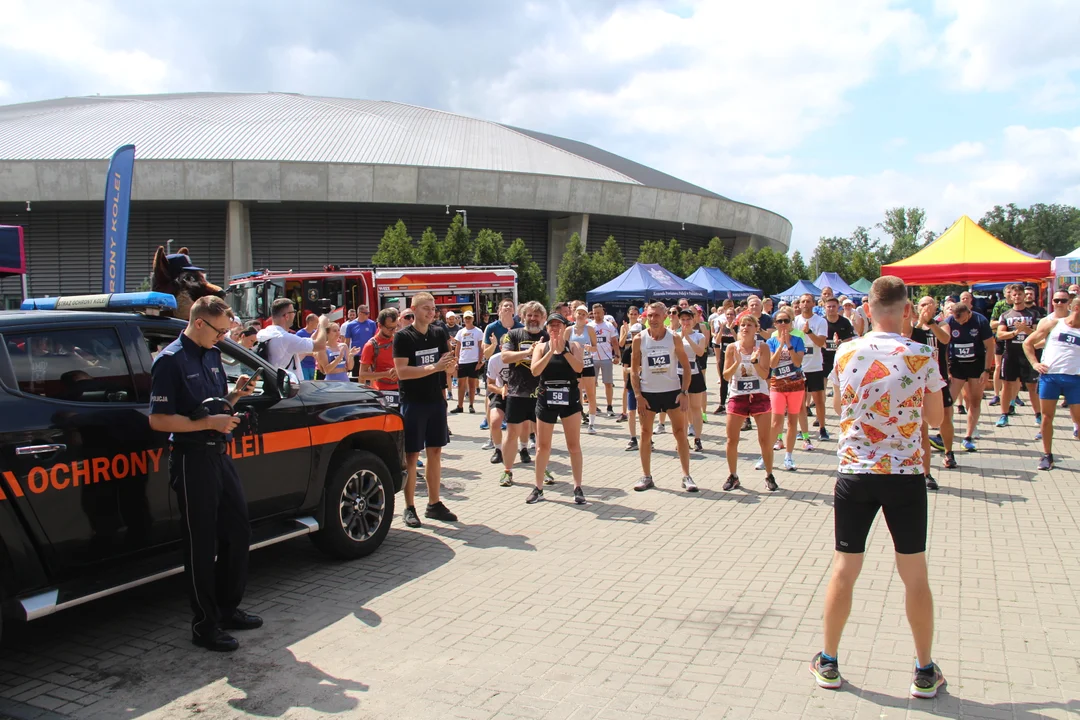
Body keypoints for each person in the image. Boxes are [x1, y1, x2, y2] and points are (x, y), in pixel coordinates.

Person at [810, 275, 946, 699]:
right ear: (907, 310)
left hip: (855, 472)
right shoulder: (922, 354)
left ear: (867, 310)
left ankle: (829, 661)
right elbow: (937, 420)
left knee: (845, 569)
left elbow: (836, 406)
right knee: (914, 575)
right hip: (904, 475)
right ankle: (924, 670)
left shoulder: (846, 350)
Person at [148, 296, 260, 652]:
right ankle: (205, 625)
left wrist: (236, 396)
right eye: (220, 331)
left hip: (219, 453)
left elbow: (214, 407)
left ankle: (228, 610)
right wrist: (209, 423)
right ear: (199, 323)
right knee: (201, 544)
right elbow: (159, 420)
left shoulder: (212, 354)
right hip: (191, 457)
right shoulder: (169, 362)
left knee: (237, 533)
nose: (224, 338)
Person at [392, 292, 458, 528]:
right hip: (413, 402)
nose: (431, 312)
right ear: (413, 309)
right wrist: (435, 367)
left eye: (433, 308)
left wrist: (450, 368)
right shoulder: (403, 337)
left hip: (435, 401)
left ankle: (434, 504)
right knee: (411, 456)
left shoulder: (439, 332)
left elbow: (446, 367)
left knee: (435, 453)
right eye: (425, 308)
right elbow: (402, 372)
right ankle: (409, 507)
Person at [630, 302, 696, 492]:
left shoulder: (674, 338)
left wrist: (684, 393)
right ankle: (646, 476)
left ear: (665, 316)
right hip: (648, 393)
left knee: (680, 433)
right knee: (645, 434)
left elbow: (687, 367)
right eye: (650, 316)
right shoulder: (639, 339)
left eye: (657, 315)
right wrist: (638, 395)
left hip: (672, 392)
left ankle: (686, 476)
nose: (653, 319)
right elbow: (634, 370)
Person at [527, 313, 587, 504]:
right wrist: (550, 352)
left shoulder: (574, 345)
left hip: (569, 398)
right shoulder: (541, 347)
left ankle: (577, 487)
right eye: (551, 326)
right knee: (542, 447)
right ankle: (538, 488)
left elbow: (579, 369)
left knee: (573, 445)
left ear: (564, 328)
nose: (555, 329)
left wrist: (564, 351)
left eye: (558, 326)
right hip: (547, 398)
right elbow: (535, 371)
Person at [1023, 296, 1080, 470]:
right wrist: (1035, 363)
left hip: (1074, 378)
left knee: (1078, 419)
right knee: (1047, 417)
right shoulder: (1056, 324)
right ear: (1076, 307)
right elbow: (1028, 343)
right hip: (1051, 377)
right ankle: (1047, 455)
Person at [498, 302, 549, 487]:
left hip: (541, 392)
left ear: (543, 318)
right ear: (523, 316)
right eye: (529, 315)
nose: (533, 318)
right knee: (512, 434)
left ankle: (543, 469)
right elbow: (504, 357)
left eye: (537, 315)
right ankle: (507, 471)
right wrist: (528, 352)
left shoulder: (547, 336)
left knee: (542, 436)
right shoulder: (513, 335)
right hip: (516, 392)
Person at [722, 315, 775, 491]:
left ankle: (769, 474)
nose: (745, 328)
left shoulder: (763, 347)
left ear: (756, 328)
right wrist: (737, 362)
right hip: (738, 395)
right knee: (731, 439)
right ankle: (733, 475)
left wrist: (754, 361)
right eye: (742, 325)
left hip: (759, 394)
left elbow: (765, 374)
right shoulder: (732, 348)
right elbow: (726, 376)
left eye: (749, 325)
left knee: (764, 439)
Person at [911, 297, 953, 488]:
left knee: (945, 419)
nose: (926, 308)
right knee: (922, 430)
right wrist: (921, 322)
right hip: (919, 384)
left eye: (930, 304)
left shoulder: (942, 324)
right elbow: (910, 339)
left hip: (940, 381)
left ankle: (948, 451)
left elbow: (945, 339)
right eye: (922, 305)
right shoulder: (913, 328)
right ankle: (926, 473)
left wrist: (931, 323)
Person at [944, 302, 994, 452]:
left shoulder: (980, 321)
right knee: (948, 401)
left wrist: (986, 370)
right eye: (958, 321)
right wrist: (946, 368)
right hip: (957, 365)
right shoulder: (949, 322)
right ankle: (944, 433)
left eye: (964, 320)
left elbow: (990, 346)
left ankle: (968, 436)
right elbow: (944, 345)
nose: (961, 323)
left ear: (968, 312)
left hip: (976, 365)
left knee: (974, 400)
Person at [760, 307, 804, 477]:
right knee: (775, 423)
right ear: (775, 324)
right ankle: (766, 456)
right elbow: (772, 364)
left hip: (795, 384)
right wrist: (781, 345)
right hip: (777, 384)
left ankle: (789, 456)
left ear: (791, 322)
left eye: (786, 321)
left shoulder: (798, 340)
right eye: (780, 321)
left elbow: (798, 362)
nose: (783, 324)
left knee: (792, 422)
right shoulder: (771, 342)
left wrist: (790, 345)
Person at [995, 284, 1040, 427]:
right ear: (1010, 296)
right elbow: (1000, 334)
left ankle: (1038, 415)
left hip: (1028, 353)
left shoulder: (1033, 314)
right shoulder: (1006, 315)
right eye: (1014, 294)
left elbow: (1038, 334)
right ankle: (1004, 414)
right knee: (1007, 385)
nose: (1017, 297)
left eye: (1020, 294)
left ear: (1024, 296)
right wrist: (1014, 332)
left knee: (1032, 385)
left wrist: (1025, 329)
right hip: (1011, 353)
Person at [256, 299, 329, 378]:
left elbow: (306, 345)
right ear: (287, 316)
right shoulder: (285, 338)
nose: (294, 314)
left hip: (274, 383)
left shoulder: (263, 334)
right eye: (293, 312)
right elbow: (320, 345)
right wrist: (322, 325)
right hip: (288, 387)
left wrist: (318, 329)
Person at [793, 293, 829, 447]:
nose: (805, 304)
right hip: (799, 367)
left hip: (815, 366)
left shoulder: (820, 321)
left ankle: (822, 428)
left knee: (819, 399)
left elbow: (821, 342)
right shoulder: (794, 321)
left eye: (808, 301)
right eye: (803, 301)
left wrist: (809, 333)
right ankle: (802, 430)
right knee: (799, 402)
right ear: (799, 305)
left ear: (814, 304)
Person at [675, 307, 708, 452]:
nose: (686, 322)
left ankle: (698, 439)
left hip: (695, 374)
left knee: (696, 408)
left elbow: (700, 352)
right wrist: (680, 336)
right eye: (683, 319)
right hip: (679, 374)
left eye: (688, 319)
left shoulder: (699, 336)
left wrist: (687, 337)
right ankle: (682, 440)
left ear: (694, 320)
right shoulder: (674, 335)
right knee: (681, 409)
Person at [569, 305, 600, 432]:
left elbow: (595, 347)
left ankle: (591, 424)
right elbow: (564, 348)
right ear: (574, 314)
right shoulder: (568, 330)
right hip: (575, 366)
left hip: (588, 364)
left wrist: (588, 348)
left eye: (583, 314)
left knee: (591, 394)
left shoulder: (590, 329)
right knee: (577, 394)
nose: (581, 316)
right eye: (579, 313)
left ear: (587, 316)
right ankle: (580, 417)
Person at [359, 308, 399, 407]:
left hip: (400, 388)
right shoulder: (371, 345)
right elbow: (363, 374)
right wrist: (386, 374)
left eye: (395, 327)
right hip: (381, 391)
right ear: (380, 325)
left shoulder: (398, 340)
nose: (393, 331)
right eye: (390, 328)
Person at [822, 297, 856, 416]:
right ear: (824, 308)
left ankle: (843, 413)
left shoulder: (845, 322)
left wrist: (839, 344)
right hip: (823, 359)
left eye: (833, 306)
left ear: (838, 308)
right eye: (829, 306)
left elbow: (849, 342)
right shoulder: (821, 322)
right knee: (822, 391)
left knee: (840, 389)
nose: (831, 309)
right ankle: (821, 416)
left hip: (840, 360)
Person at [589, 303, 619, 417]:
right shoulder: (589, 326)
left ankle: (610, 406)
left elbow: (615, 342)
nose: (597, 315)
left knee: (608, 383)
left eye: (599, 313)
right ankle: (594, 406)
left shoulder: (609, 325)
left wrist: (617, 355)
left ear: (603, 313)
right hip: (593, 358)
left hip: (606, 358)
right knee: (592, 384)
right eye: (594, 313)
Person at [451, 311, 485, 414]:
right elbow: (458, 346)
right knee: (461, 384)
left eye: (469, 318)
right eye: (466, 318)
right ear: (463, 319)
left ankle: (471, 405)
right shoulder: (461, 332)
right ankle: (460, 406)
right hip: (463, 361)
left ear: (473, 319)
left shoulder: (478, 331)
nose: (467, 320)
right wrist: (456, 359)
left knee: (472, 384)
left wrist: (480, 361)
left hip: (473, 361)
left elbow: (480, 347)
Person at [616, 306, 641, 423]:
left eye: (635, 314)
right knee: (626, 384)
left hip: (639, 355)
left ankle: (639, 408)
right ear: (628, 315)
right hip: (627, 354)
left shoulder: (641, 326)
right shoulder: (623, 327)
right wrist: (626, 332)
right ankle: (624, 412)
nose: (633, 316)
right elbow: (620, 343)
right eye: (631, 314)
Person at [484, 350, 509, 463]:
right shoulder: (494, 359)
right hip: (499, 393)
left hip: (518, 393)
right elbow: (490, 384)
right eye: (505, 348)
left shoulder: (520, 358)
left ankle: (524, 448)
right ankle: (498, 449)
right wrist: (501, 390)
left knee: (523, 426)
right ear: (500, 347)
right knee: (495, 422)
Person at [712, 305, 738, 415]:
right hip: (724, 355)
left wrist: (732, 330)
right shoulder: (722, 326)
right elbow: (717, 342)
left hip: (735, 356)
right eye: (727, 314)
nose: (729, 316)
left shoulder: (738, 326)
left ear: (735, 316)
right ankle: (722, 405)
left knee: (736, 380)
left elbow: (738, 340)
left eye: (731, 314)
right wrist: (722, 329)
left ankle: (736, 403)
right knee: (723, 381)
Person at [343, 305, 377, 378]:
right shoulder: (350, 325)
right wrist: (346, 356)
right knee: (357, 377)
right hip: (356, 355)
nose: (368, 315)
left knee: (371, 377)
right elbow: (347, 342)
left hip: (370, 355)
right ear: (360, 313)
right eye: (367, 313)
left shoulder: (372, 324)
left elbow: (376, 339)